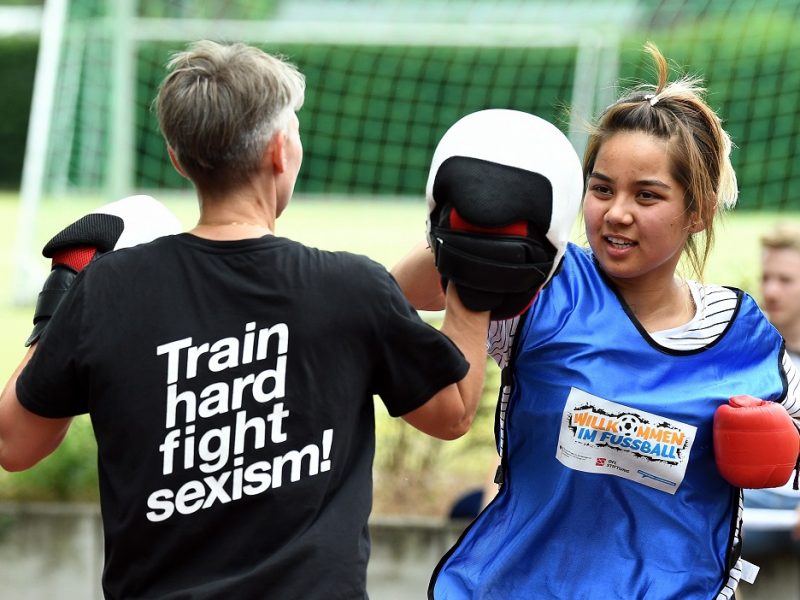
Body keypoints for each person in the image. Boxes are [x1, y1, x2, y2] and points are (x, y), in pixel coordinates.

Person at [0, 40, 491, 599]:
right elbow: (451, 412)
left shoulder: (107, 290)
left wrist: (63, 297)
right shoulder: (352, 288)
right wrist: (478, 281)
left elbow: (14, 443)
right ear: (281, 150)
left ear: (178, 157)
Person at [393, 43, 800, 599]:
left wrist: (785, 449)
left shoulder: (745, 341)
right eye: (602, 188)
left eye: (647, 195)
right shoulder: (545, 283)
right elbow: (393, 295)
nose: (616, 212)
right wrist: (470, 234)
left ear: (698, 211)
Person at [739, 223, 800, 558]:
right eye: (766, 278)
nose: (771, 291)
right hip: (749, 506)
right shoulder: (740, 347)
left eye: (786, 280)